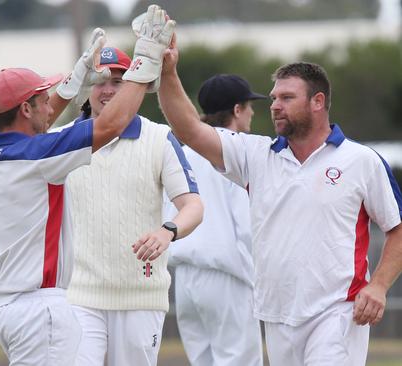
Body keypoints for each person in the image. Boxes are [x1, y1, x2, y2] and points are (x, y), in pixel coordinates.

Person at [158, 39, 402, 365]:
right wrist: (168, 72)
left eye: (287, 98)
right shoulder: (256, 155)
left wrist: (379, 286)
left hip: (337, 312)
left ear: (318, 102)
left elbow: (396, 228)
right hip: (276, 314)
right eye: (274, 98)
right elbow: (189, 130)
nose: (274, 105)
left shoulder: (361, 160)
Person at [0, 6, 176, 365]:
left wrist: (72, 85)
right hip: (41, 308)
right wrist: (144, 61)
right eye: (41, 100)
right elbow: (111, 124)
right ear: (25, 109)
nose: (48, 108)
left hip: (8, 305)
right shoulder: (41, 154)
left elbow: (40, 120)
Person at [62, 46, 203, 366]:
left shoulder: (158, 138)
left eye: (119, 81)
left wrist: (168, 231)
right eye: (100, 81)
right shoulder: (64, 140)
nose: (109, 90)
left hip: (141, 296)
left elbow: (193, 206)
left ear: (135, 85)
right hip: (78, 295)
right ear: (86, 88)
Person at [162, 74, 265, 366]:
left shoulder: (181, 153)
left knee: (202, 360)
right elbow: (246, 225)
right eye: (248, 105)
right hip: (227, 274)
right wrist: (255, 278)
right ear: (236, 110)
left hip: (185, 277)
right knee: (239, 360)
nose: (252, 112)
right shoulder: (238, 152)